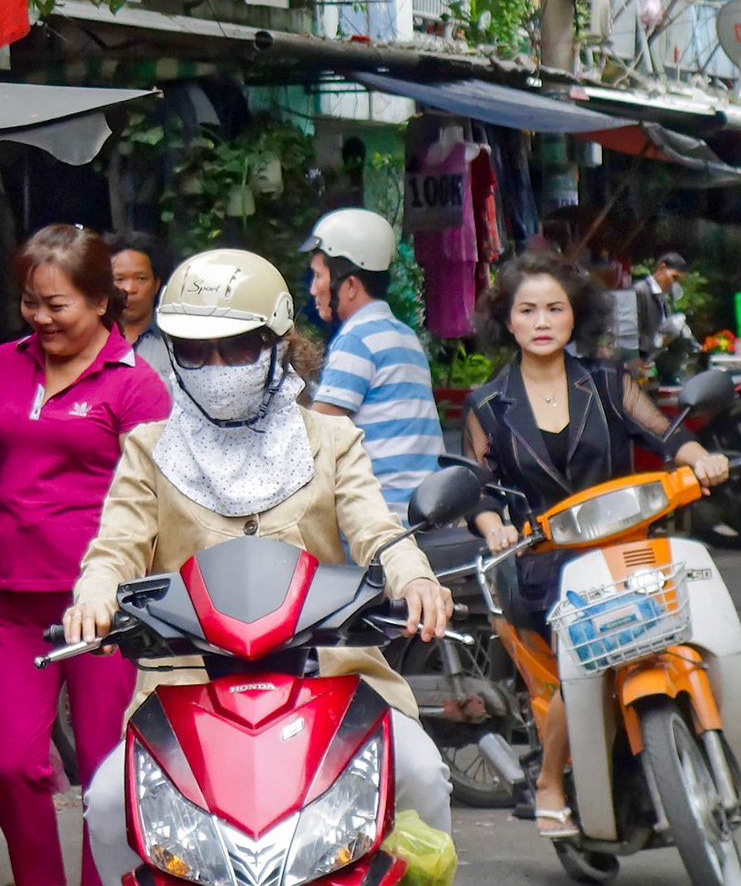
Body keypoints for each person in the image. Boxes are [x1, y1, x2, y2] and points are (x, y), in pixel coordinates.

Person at [63, 248, 456, 882]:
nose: (217, 367)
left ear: (278, 343)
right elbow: (116, 548)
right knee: (108, 806)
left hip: (333, 679)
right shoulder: (148, 448)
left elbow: (375, 529)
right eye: (195, 351)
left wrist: (412, 576)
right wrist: (95, 595)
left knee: (421, 776)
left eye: (238, 348)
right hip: (186, 684)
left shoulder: (332, 440)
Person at [463, 249, 728, 840]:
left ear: (573, 317)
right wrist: (495, 528)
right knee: (586, 652)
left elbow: (668, 435)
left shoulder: (608, 382)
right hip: (542, 564)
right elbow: (478, 494)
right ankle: (551, 780)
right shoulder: (486, 404)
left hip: (622, 546)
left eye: (554, 308)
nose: (541, 321)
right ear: (508, 321)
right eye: (527, 310)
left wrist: (702, 459)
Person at [0, 224, 171, 886]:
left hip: (101, 606)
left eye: (55, 304)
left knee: (104, 770)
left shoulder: (137, 385)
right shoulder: (4, 363)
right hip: (9, 598)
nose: (40, 317)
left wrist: (137, 597)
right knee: (9, 762)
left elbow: (152, 502)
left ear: (99, 302)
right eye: (30, 301)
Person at [301, 207, 443, 511]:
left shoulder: (357, 339)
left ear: (350, 285)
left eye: (318, 276)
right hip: (423, 508)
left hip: (382, 516)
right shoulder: (403, 334)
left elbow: (318, 434)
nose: (313, 289)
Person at [108, 229, 172, 381]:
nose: (129, 288)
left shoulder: (175, 340)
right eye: (120, 279)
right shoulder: (89, 338)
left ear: (156, 285)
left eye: (141, 279)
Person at [632, 250, 687, 364]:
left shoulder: (664, 298)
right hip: (640, 360)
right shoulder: (640, 291)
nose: (674, 284)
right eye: (674, 277)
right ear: (662, 268)